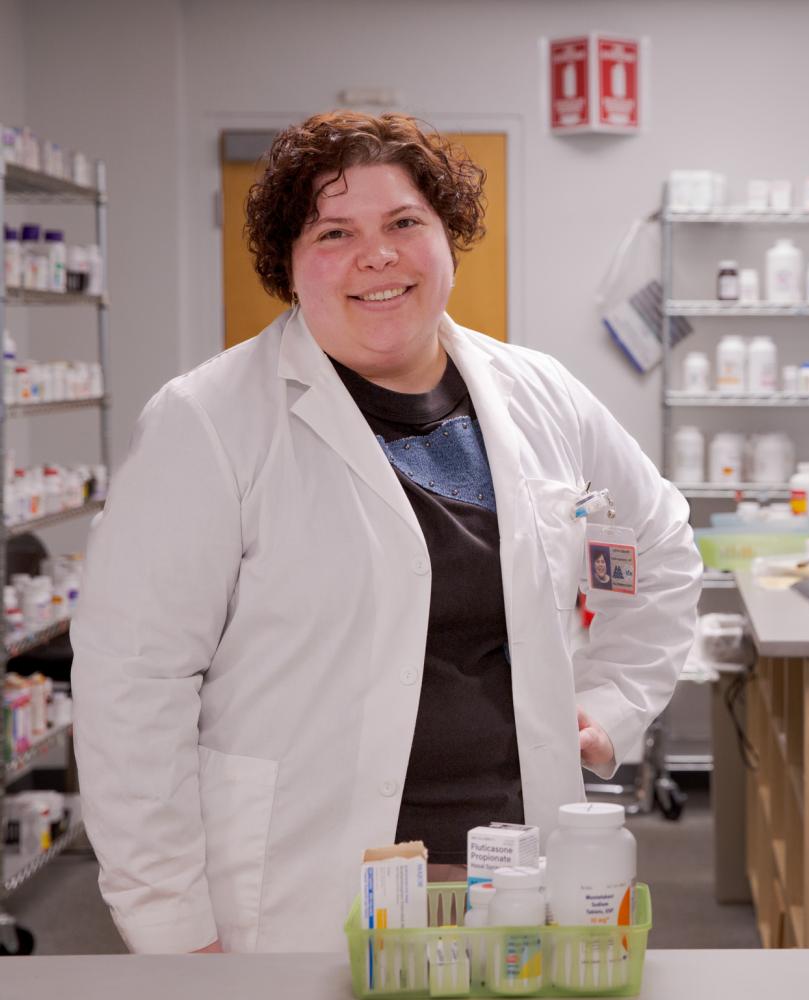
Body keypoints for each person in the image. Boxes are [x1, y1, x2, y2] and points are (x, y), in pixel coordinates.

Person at [71, 111, 702, 954]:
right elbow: (132, 686)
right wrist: (169, 924)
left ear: (448, 238)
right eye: (335, 231)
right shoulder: (209, 422)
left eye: (405, 222)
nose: (378, 255)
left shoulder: (540, 393)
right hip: (304, 885)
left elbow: (657, 548)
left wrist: (615, 704)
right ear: (288, 264)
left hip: (514, 870)